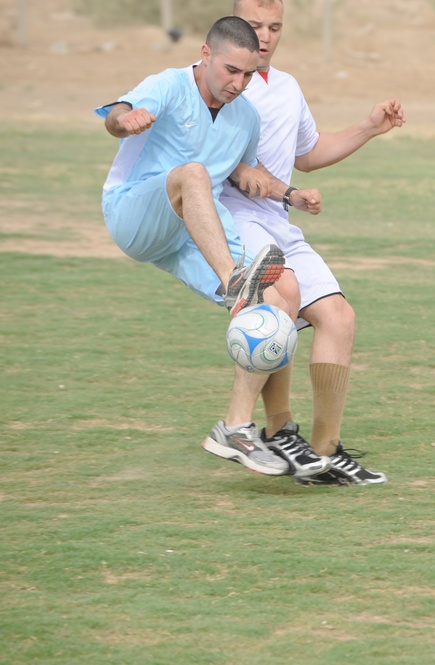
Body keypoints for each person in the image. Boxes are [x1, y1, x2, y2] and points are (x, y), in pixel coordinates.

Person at [96, 16, 325, 475]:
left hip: (196, 230)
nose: (237, 83)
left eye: (247, 74)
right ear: (205, 54)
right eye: (229, 70)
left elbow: (244, 172)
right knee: (195, 173)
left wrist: (289, 195)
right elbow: (118, 116)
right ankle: (234, 284)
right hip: (137, 212)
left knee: (284, 294)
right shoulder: (169, 85)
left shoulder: (246, 116)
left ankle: (235, 427)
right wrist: (127, 120)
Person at [221, 0, 406, 485]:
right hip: (235, 218)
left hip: (280, 216)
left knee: (339, 317)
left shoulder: (286, 86)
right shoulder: (216, 82)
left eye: (274, 27)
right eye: (255, 25)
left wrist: (368, 128)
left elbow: (306, 154)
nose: (264, 36)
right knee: (281, 301)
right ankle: (279, 430)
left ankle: (322, 454)